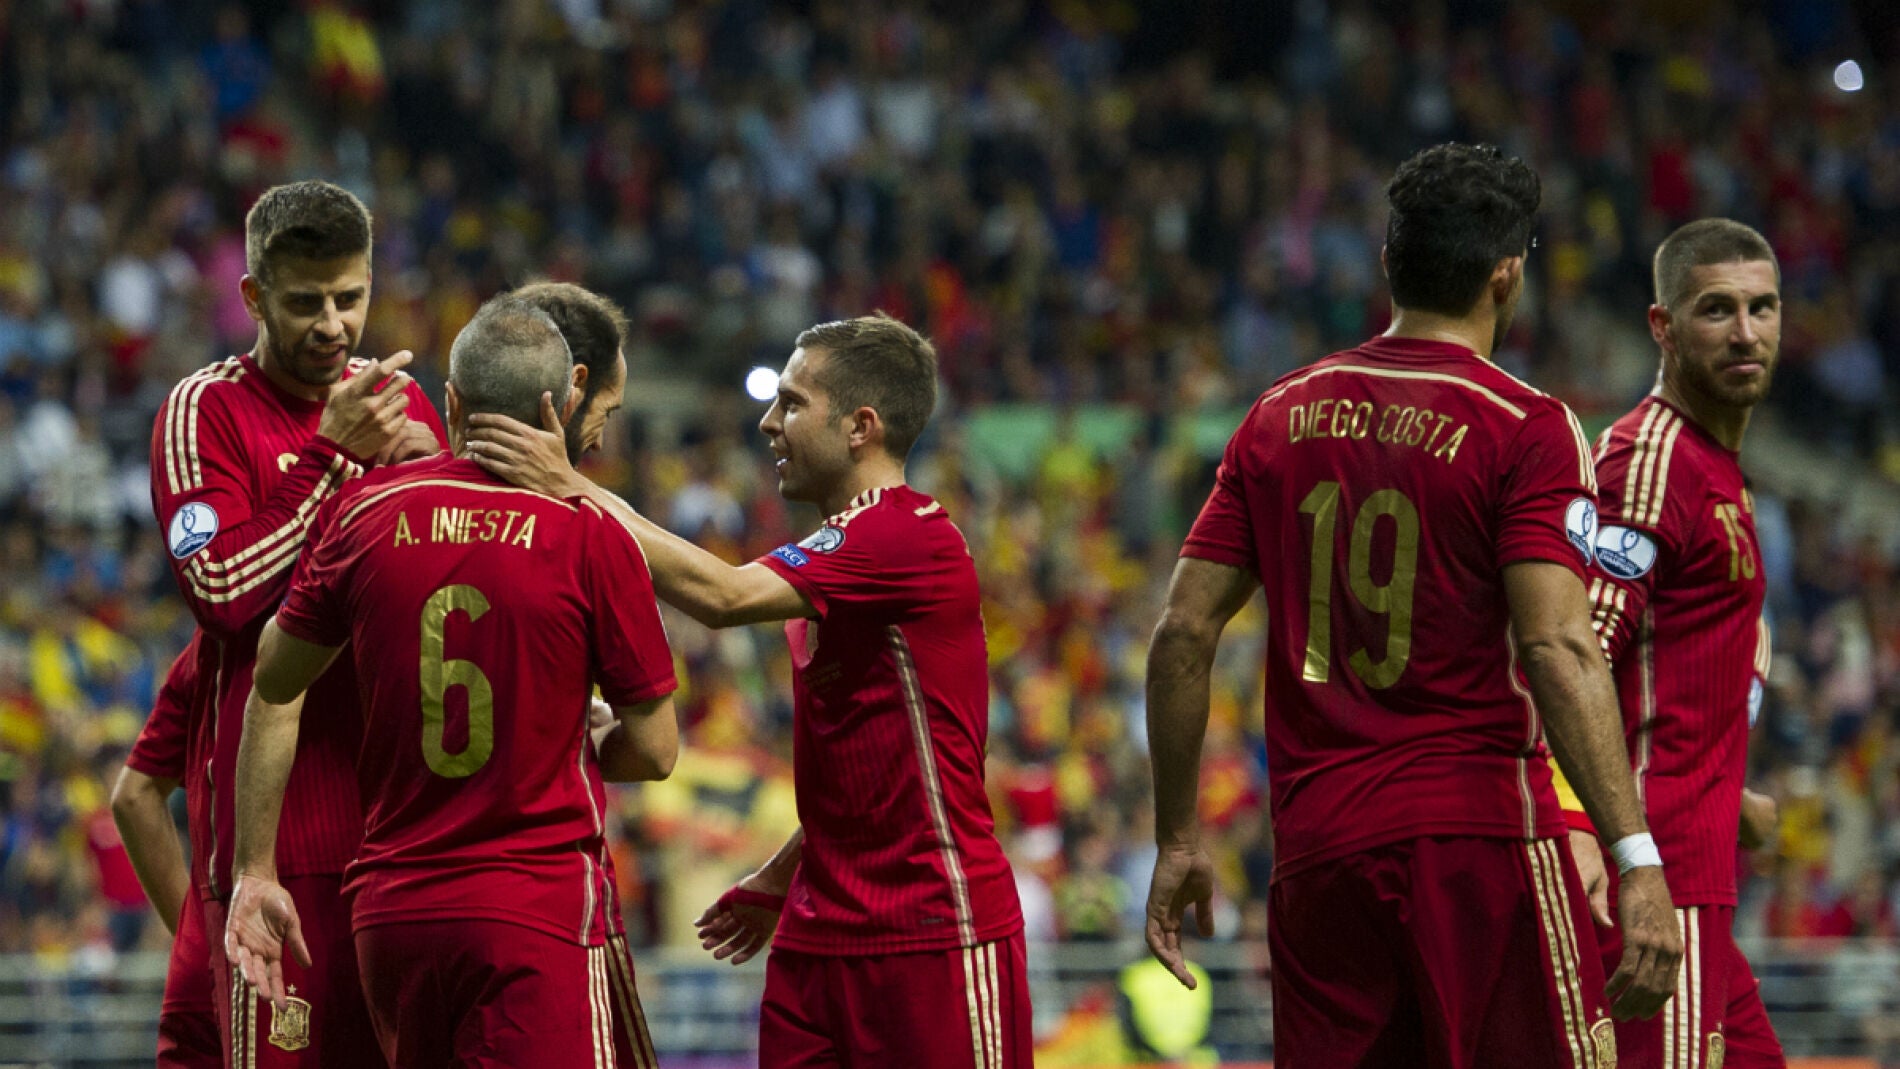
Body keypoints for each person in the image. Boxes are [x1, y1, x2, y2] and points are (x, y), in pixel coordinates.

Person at [1143, 142, 1682, 1066]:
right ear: (1509, 275)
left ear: (1390, 261)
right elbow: (1557, 645)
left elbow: (1183, 632)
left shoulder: (1278, 414)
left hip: (1316, 856)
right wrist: (1636, 857)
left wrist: (1177, 835)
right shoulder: (1528, 426)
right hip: (1473, 845)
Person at [464, 312, 1032, 1067]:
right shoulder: (839, 555)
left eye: (792, 403)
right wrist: (785, 869)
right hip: (819, 930)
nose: (768, 422)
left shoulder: (906, 535)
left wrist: (568, 486)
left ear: (861, 426)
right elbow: (876, 766)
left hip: (934, 928)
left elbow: (722, 596)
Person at [222, 296, 680, 1069]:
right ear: (561, 401)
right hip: (530, 908)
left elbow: (275, 676)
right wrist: (576, 736)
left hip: (394, 913)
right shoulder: (588, 530)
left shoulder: (365, 513)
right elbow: (657, 750)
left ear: (452, 402)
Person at [148, 178, 445, 1066]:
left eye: (349, 298)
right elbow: (224, 590)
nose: (333, 324)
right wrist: (332, 458)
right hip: (275, 848)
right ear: (252, 297)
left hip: (405, 830)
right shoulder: (202, 411)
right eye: (305, 301)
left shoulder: (405, 404)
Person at [1557, 219, 1789, 1067]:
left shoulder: (1719, 469)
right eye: (1716, 310)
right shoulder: (1649, 462)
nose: (1745, 331)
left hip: (1700, 870)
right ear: (1662, 327)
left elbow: (1670, 685)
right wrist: (1593, 836)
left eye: (1762, 308)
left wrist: (1741, 807)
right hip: (1657, 886)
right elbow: (1569, 656)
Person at [110, 638, 219, 1068]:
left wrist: (199, 941)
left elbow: (133, 798)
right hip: (295, 949)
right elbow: (133, 798)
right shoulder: (321, 629)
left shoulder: (204, 652)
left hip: (214, 956)